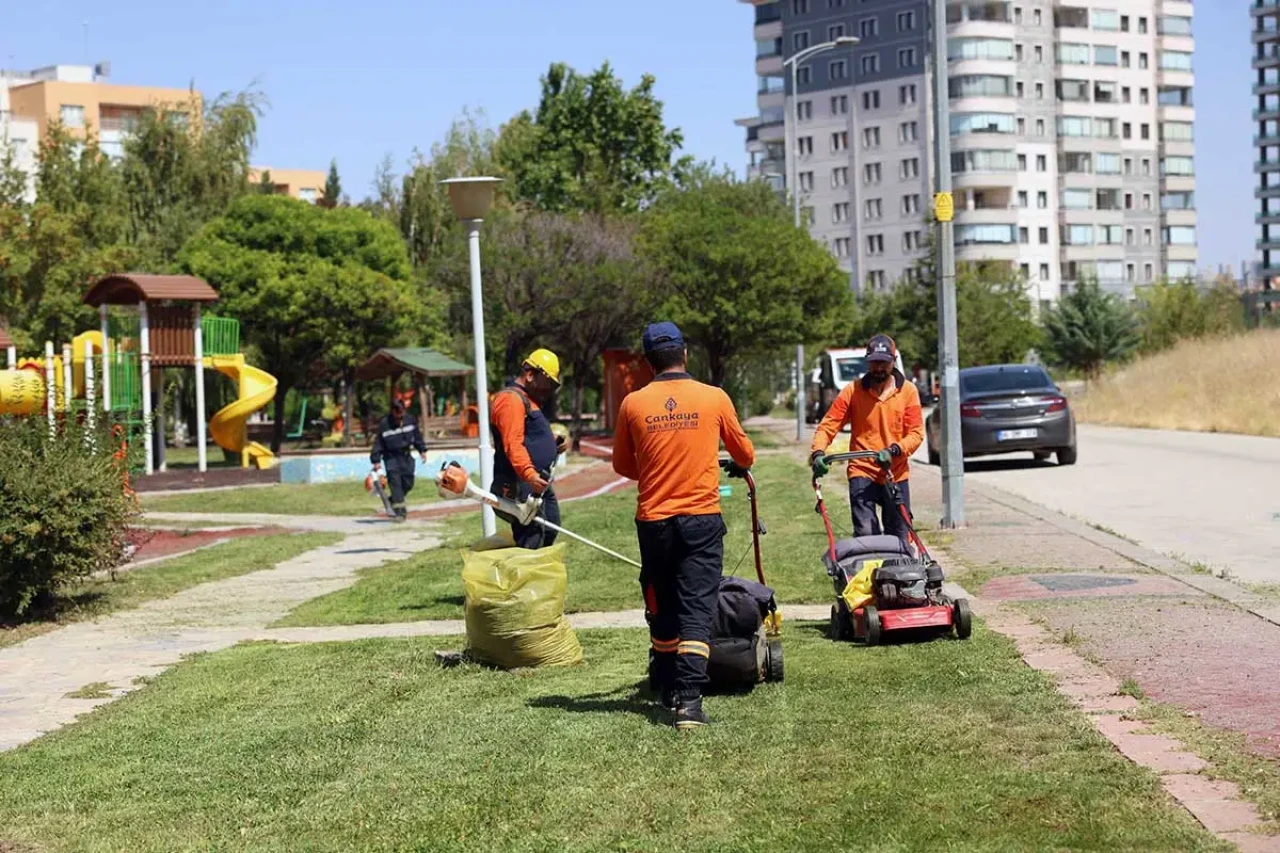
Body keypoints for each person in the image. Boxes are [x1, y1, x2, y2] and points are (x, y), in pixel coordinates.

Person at [612, 322, 756, 730]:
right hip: (700, 519)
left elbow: (623, 464)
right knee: (696, 606)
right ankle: (689, 703)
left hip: (653, 521)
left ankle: (667, 686)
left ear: (648, 362)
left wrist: (658, 469)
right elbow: (744, 453)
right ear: (685, 355)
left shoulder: (633, 404)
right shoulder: (713, 397)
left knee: (663, 605)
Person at [809, 333, 924, 550]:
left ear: (893, 360)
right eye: (874, 362)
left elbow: (916, 433)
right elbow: (828, 425)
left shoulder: (908, 391)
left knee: (899, 536)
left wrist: (895, 450)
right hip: (862, 471)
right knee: (866, 534)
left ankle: (900, 578)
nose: (879, 368)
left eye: (884, 362)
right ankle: (872, 578)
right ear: (868, 362)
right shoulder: (852, 392)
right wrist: (818, 452)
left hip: (895, 472)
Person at [491, 348, 567, 548]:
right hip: (520, 482)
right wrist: (529, 474)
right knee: (531, 537)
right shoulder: (510, 400)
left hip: (536, 480)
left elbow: (527, 435)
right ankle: (526, 578)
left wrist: (552, 442)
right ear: (531, 374)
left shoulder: (527, 399)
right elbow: (512, 443)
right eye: (548, 382)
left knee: (550, 526)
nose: (550, 389)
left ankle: (538, 574)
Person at [370, 398, 429, 521]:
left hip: (406, 457)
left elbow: (416, 436)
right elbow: (378, 443)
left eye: (402, 413)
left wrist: (422, 450)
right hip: (391, 458)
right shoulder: (384, 424)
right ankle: (400, 513)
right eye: (397, 413)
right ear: (392, 411)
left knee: (408, 483)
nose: (400, 416)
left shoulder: (410, 420)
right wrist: (376, 460)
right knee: (395, 484)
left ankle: (393, 500)